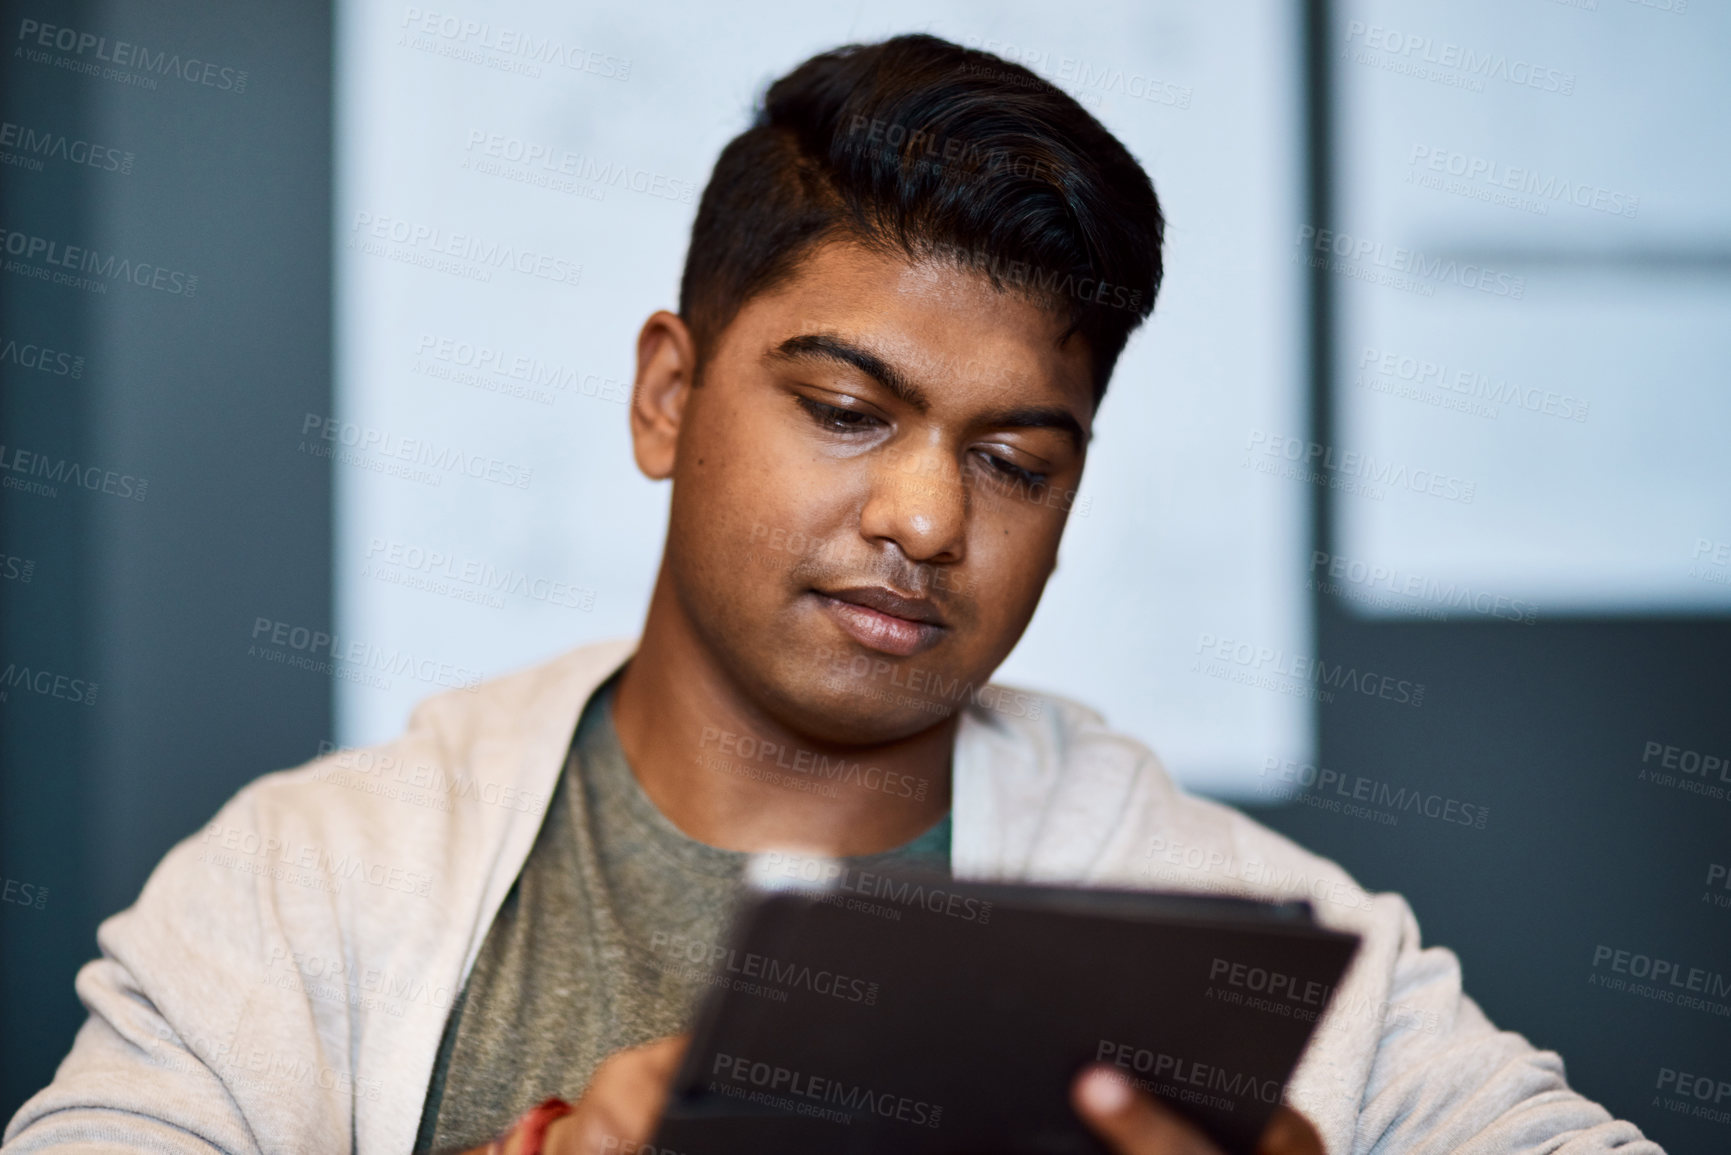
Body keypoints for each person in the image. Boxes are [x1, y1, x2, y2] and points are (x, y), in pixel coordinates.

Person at [3, 33, 1660, 1155]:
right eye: (848, 411)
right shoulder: (307, 890)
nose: (930, 516)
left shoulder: (1241, 938)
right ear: (668, 395)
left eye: (1016, 460)